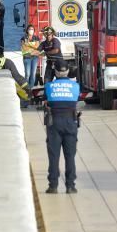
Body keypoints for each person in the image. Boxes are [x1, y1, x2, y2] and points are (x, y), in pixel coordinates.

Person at [43, 58, 80, 194]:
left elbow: (46, 99)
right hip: (71, 121)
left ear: (56, 72)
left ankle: (53, 185)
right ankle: (70, 185)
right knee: (70, 155)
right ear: (68, 71)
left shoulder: (48, 87)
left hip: (54, 122)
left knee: (54, 155)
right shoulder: (76, 86)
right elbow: (76, 100)